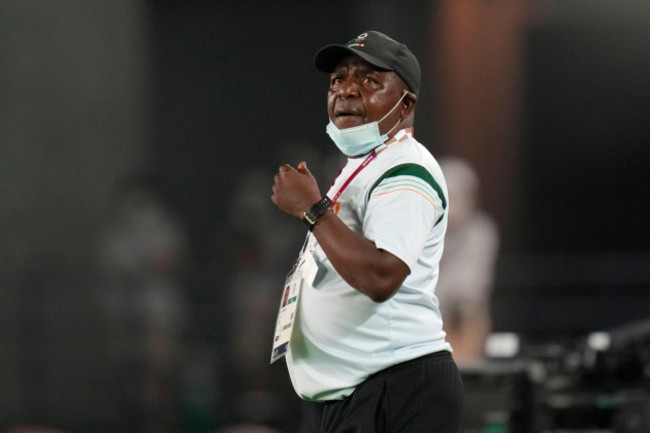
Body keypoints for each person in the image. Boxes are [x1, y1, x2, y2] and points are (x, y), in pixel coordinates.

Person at [270, 31, 464, 432]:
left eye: (369, 80)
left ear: (406, 103)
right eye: (338, 80)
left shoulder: (405, 169)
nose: (346, 90)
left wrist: (311, 208)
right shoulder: (364, 165)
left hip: (395, 390)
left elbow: (382, 275)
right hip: (365, 393)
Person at [437, 157, 500, 364]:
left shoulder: (481, 233)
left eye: (458, 197)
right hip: (422, 322)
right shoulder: (416, 231)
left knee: (472, 314)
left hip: (457, 322)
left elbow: (469, 298)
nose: (452, 206)